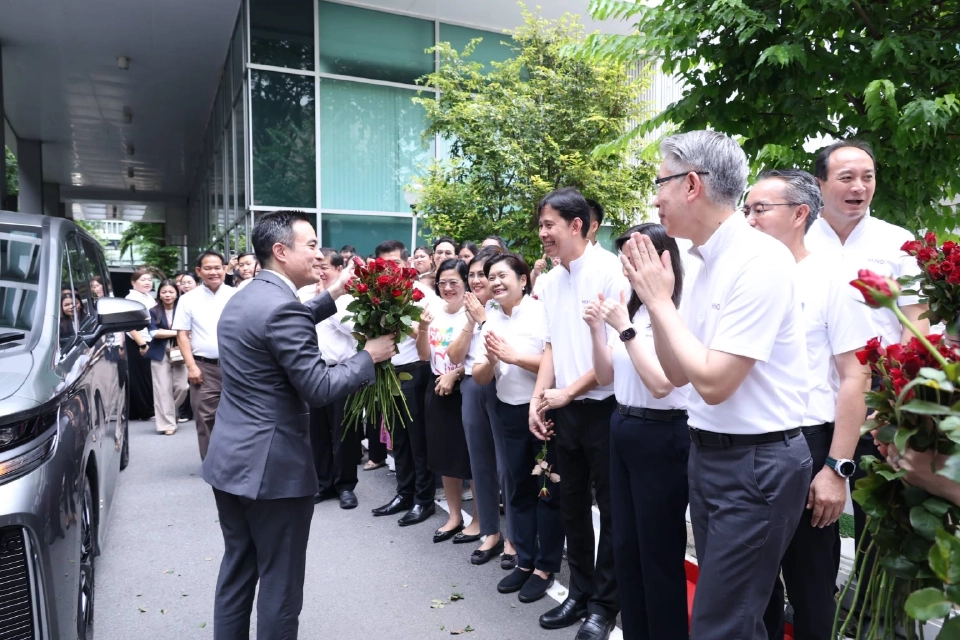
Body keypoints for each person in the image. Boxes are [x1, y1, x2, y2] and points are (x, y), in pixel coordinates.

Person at [622, 130, 810, 639]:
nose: (654, 197)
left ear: (691, 185)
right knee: (733, 617)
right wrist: (657, 304)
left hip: (757, 464)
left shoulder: (759, 259)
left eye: (659, 181)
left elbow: (714, 382)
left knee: (719, 624)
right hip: (709, 456)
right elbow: (676, 372)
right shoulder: (703, 260)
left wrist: (659, 303)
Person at [202, 210, 395, 640]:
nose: (317, 255)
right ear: (280, 251)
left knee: (238, 568)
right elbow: (319, 386)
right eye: (310, 246)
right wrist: (369, 356)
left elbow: (282, 324)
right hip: (273, 471)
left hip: (231, 461)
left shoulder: (245, 298)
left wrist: (336, 292)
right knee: (281, 582)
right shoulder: (280, 308)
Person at [745, 169, 874, 640]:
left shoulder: (832, 280)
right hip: (751, 447)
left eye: (760, 210)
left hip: (809, 444)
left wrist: (836, 467)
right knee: (754, 590)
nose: (750, 220)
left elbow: (855, 375)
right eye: (747, 210)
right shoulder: (748, 277)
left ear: (800, 214)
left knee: (810, 588)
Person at [806, 139, 929, 573]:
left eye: (867, 177)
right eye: (846, 177)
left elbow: (917, 325)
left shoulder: (896, 242)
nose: (859, 186)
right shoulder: (798, 239)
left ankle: (871, 613)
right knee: (814, 510)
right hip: (813, 400)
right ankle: (816, 600)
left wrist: (899, 400)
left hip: (879, 399)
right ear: (820, 184)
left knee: (878, 516)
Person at [529, 187, 628, 640]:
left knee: (609, 509)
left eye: (549, 224)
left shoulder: (611, 271)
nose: (542, 232)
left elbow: (610, 354)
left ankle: (605, 606)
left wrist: (568, 391)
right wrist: (539, 397)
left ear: (577, 225)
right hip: (564, 407)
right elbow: (551, 343)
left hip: (605, 407)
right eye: (542, 224)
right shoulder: (549, 281)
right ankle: (579, 591)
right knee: (570, 505)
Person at [584, 223, 690, 640]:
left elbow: (664, 384)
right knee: (625, 544)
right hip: (624, 423)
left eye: (636, 256)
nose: (628, 266)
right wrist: (598, 329)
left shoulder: (671, 310)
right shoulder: (633, 308)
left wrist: (623, 329)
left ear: (664, 259)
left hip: (661, 432)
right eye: (625, 257)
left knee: (658, 550)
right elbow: (605, 375)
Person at [473, 253, 565, 604]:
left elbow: (553, 361)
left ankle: (545, 566)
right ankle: (525, 561)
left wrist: (513, 357)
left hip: (542, 413)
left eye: (501, 276)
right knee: (518, 490)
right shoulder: (491, 317)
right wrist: (494, 359)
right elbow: (481, 374)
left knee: (546, 491)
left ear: (523, 280)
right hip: (508, 414)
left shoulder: (541, 312)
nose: (494, 282)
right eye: (489, 277)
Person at [447, 247, 517, 566]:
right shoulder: (472, 312)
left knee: (507, 466)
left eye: (482, 274)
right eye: (472, 274)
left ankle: (514, 537)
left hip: (502, 386)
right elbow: (454, 356)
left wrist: (484, 318)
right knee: (480, 463)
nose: (476, 280)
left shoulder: (509, 310)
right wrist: (470, 322)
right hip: (473, 385)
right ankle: (490, 532)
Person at [371, 240, 438, 527]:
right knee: (398, 439)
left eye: (396, 264)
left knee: (417, 440)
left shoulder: (424, 295)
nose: (391, 269)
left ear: (406, 264)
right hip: (389, 372)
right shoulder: (376, 295)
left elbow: (429, 339)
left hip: (416, 371)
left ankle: (424, 500)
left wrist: (397, 317)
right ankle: (404, 492)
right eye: (385, 265)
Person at [417, 258, 481, 544]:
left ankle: (480, 519)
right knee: (445, 457)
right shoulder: (434, 312)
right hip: (437, 387)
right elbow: (423, 356)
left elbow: (481, 357)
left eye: (454, 282)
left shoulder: (475, 313)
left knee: (472, 458)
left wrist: (455, 375)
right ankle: (455, 516)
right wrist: (421, 329)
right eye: (442, 282)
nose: (447, 288)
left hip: (464, 388)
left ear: (465, 282)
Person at [303, 248, 364, 510]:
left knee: (345, 433)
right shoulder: (305, 296)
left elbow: (356, 330)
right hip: (314, 372)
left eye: (325, 266)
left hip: (342, 371)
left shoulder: (350, 300)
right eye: (316, 266)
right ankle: (323, 483)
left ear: (340, 270)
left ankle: (346, 486)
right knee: (316, 432)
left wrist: (326, 305)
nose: (320, 271)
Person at [173, 251, 236, 460]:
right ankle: (212, 464)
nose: (213, 272)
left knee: (237, 417)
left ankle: (234, 462)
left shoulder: (236, 295)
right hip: (204, 368)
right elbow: (181, 334)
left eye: (217, 267)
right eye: (207, 268)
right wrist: (191, 367)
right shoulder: (188, 299)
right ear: (199, 271)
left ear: (225, 269)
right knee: (205, 417)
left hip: (236, 366)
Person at [146, 280, 189, 436]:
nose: (167, 295)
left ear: (176, 293)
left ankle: (170, 412)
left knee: (182, 387)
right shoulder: (153, 310)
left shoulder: (183, 309)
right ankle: (167, 423)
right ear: (159, 294)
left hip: (180, 350)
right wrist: (179, 332)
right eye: (164, 292)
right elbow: (154, 333)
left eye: (170, 292)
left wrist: (174, 333)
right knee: (162, 389)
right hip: (160, 351)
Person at [126, 268, 157, 421]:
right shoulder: (131, 298)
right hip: (138, 341)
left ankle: (137, 411)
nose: (147, 282)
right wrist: (142, 344)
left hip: (149, 339)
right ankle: (146, 411)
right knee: (142, 378)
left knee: (146, 376)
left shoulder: (148, 297)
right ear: (133, 282)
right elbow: (129, 325)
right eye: (143, 279)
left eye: (149, 280)